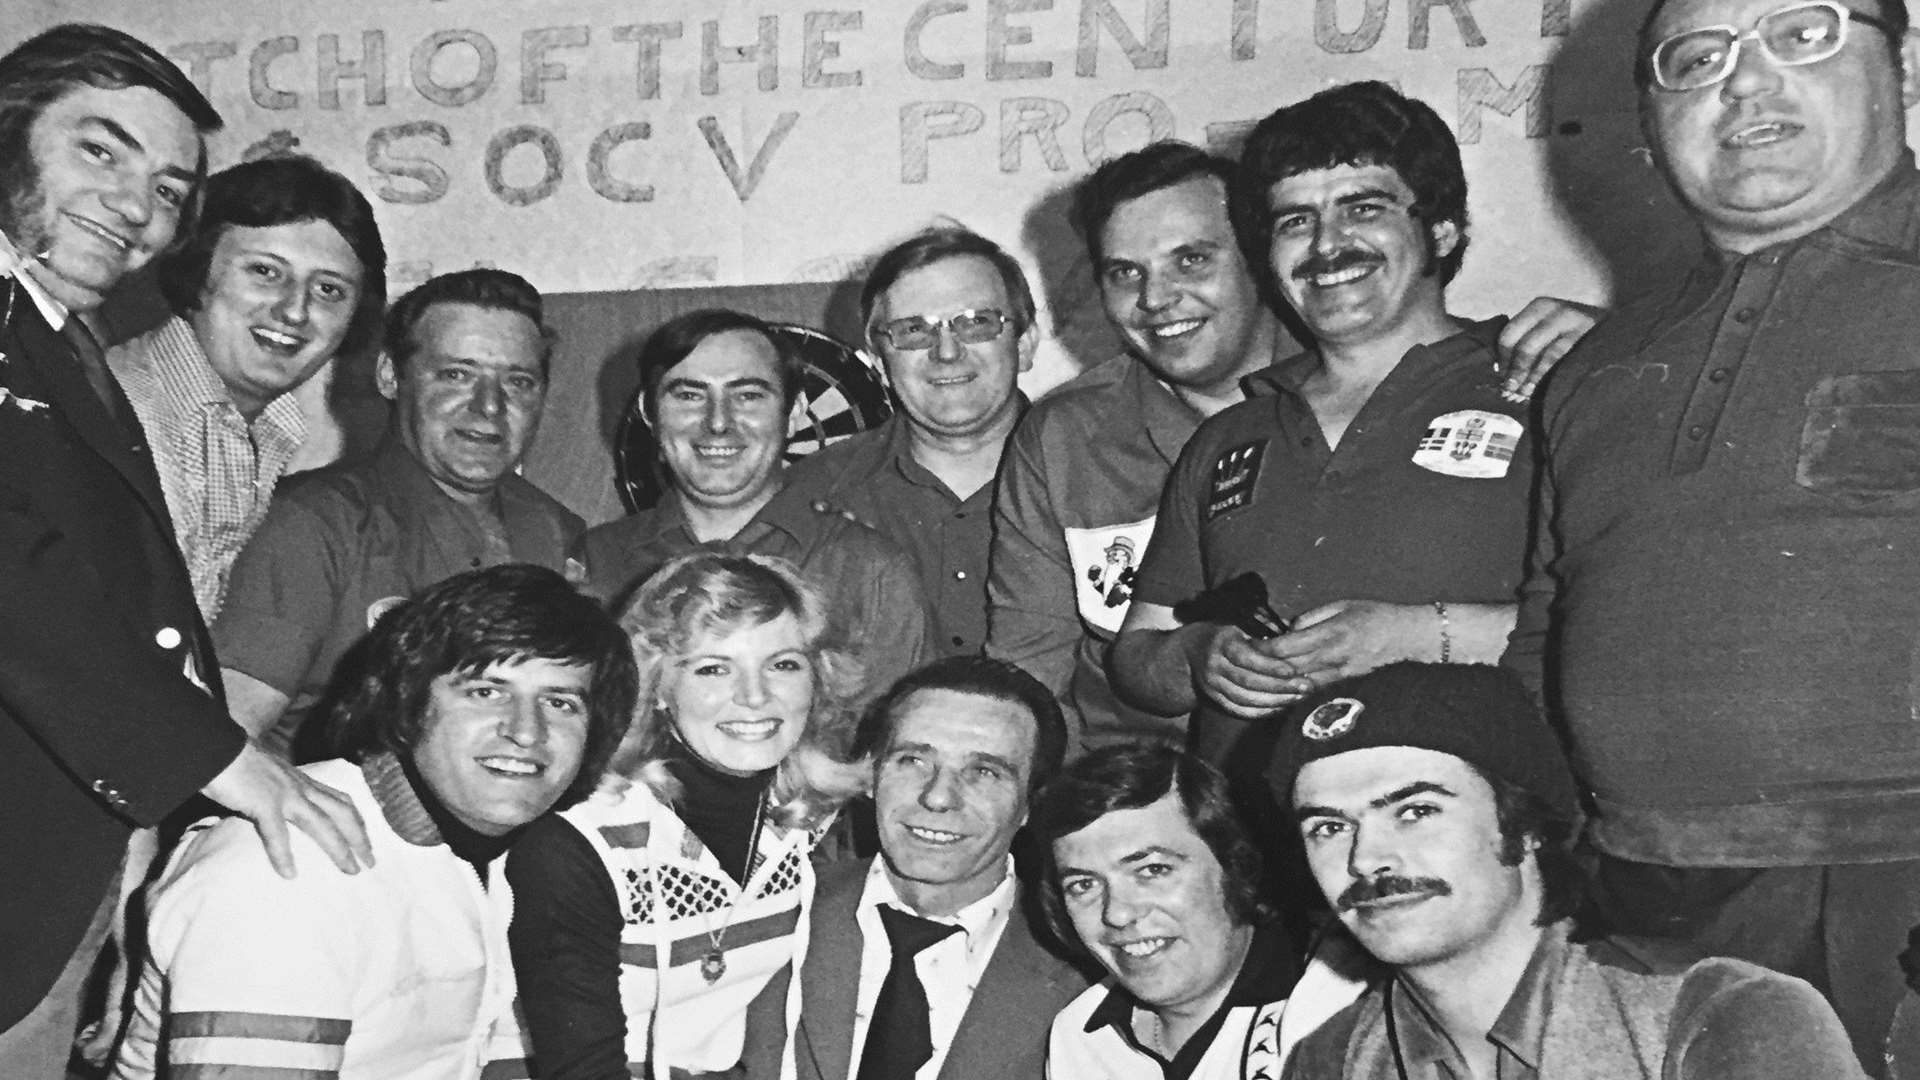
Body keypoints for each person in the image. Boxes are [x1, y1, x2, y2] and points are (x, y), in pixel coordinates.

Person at [1503, 0, 1920, 1066]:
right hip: (1636, 900)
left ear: (1905, 67)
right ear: (1649, 122)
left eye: (1804, 33)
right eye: (1697, 58)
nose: (1745, 81)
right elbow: (1546, 631)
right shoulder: (1597, 362)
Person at [0, 24, 370, 1075]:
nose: (132, 205)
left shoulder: (50, 339)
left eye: (166, 189)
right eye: (100, 151)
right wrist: (216, 762)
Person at [986, 140, 1592, 754]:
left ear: (1261, 259)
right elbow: (1035, 667)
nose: (1156, 298)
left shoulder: (1498, 374)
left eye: (1192, 259)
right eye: (1125, 273)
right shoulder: (1067, 438)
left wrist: (1617, 350)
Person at [1110, 83, 1548, 762]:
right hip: (1256, 848)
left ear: (1441, 229)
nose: (1327, 245)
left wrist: (1414, 637)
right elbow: (1139, 654)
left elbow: (1626, 626)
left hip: (1472, 837)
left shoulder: (1545, 388)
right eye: (1295, 221)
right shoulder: (1230, 436)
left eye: (1363, 209)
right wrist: (1198, 657)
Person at [110, 564, 637, 1080]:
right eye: (485, 691)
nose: (526, 731)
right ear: (408, 702)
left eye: (560, 701)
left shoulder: (491, 851)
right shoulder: (292, 864)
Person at [1274, 663, 1866, 1079]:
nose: (1365, 857)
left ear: (1525, 824)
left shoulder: (1720, 1015)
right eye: (1327, 827)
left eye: (1417, 810)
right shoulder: (1330, 1060)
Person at [507, 551, 868, 1080]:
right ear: (656, 687)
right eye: (713, 668)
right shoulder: (577, 839)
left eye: (784, 664)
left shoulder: (813, 821)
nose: (754, 696)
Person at [214, 268, 583, 758]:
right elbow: (224, 741)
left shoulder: (555, 530)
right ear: (390, 376)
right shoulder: (315, 524)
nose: (489, 406)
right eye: (457, 375)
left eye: (518, 382)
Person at [746, 655, 1089, 1080]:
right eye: (913, 761)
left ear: (1030, 806)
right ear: (870, 774)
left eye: (983, 771)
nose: (938, 797)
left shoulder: (1084, 972)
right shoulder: (770, 916)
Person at [573, 309, 932, 702]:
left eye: (748, 396)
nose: (718, 423)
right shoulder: (599, 564)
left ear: (793, 415)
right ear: (650, 415)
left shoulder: (870, 572)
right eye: (690, 395)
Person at [107, 152, 387, 620]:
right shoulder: (122, 409)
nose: (295, 311)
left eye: (329, 290)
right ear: (197, 272)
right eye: (265, 272)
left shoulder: (271, 428)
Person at [783, 229, 1035, 657]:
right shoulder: (812, 493)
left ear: (1025, 344)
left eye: (976, 322)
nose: (947, 351)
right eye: (914, 330)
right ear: (880, 363)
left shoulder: (1102, 476)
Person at [1034, 745, 1301, 1079]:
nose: (1117, 913)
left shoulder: (1326, 1007)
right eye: (1084, 885)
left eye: (1153, 870)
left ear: (1235, 866)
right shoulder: (1082, 1036)